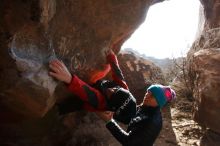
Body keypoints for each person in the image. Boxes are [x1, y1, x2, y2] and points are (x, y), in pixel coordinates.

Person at [49, 49, 137, 124]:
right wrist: (112, 57)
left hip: (89, 101)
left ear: (110, 103)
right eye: (116, 89)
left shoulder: (102, 103)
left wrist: (69, 78)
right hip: (99, 86)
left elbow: (86, 92)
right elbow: (118, 73)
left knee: (76, 103)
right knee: (105, 75)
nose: (111, 89)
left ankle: (58, 110)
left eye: (112, 94)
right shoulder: (123, 90)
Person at [96, 84, 176, 146]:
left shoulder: (151, 122)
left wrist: (109, 121)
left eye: (152, 96)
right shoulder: (145, 108)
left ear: (159, 102)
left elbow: (129, 141)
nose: (147, 95)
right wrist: (113, 114)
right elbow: (130, 118)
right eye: (148, 92)